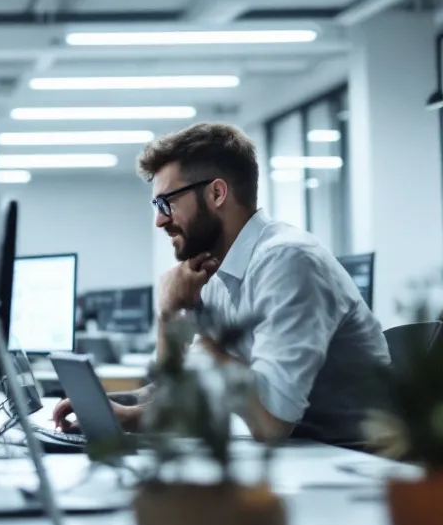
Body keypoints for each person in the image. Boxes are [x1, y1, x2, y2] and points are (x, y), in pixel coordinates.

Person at [52, 122, 389, 445]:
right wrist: (123, 404)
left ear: (216, 193)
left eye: (166, 202)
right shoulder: (217, 270)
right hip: (298, 456)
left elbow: (271, 422)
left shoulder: (289, 261)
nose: (159, 220)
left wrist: (184, 327)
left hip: (352, 466)